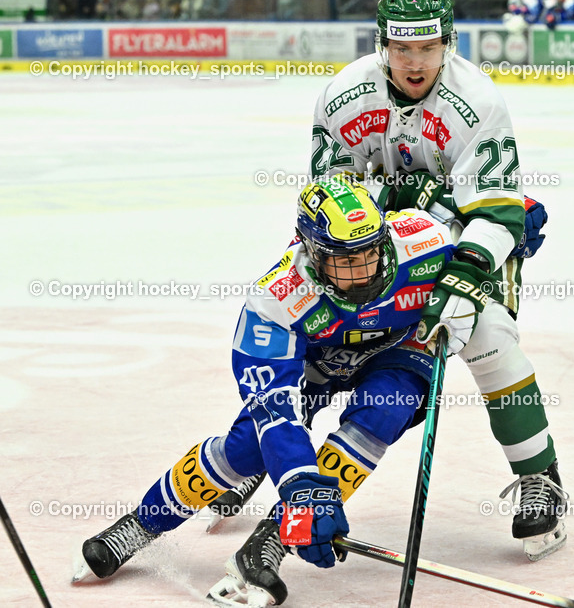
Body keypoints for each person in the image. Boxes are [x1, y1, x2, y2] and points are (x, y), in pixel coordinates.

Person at [73, 176, 462, 606]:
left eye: (371, 252)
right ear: (312, 252)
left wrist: (512, 223)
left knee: (385, 410)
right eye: (346, 262)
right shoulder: (275, 300)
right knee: (249, 447)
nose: (365, 271)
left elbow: (481, 227)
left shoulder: (425, 239)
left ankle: (274, 537)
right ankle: (142, 524)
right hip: (317, 359)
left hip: (397, 347)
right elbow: (276, 413)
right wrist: (302, 488)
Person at [304, 0, 568, 561]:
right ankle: (266, 446)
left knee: (488, 332)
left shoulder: (477, 100)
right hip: (381, 236)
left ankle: (541, 479)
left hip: (466, 235)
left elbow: (497, 215)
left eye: (427, 47)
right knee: (320, 319)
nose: (415, 62)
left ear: (448, 42)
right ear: (382, 44)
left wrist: (463, 282)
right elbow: (332, 199)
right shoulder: (346, 95)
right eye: (402, 48)